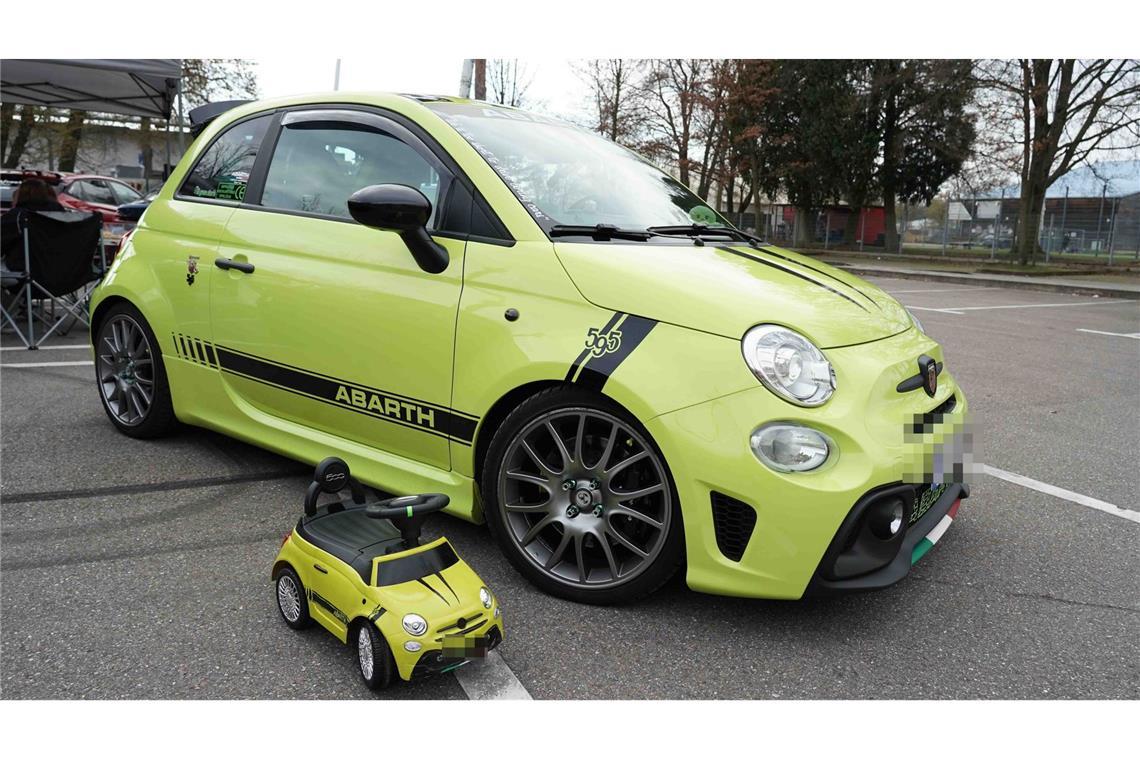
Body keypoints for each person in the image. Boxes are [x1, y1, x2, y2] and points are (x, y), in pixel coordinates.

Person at [2, 178, 67, 272]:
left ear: (21, 196)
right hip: (65, 274)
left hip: (25, 272)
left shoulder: (18, 216)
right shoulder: (65, 218)